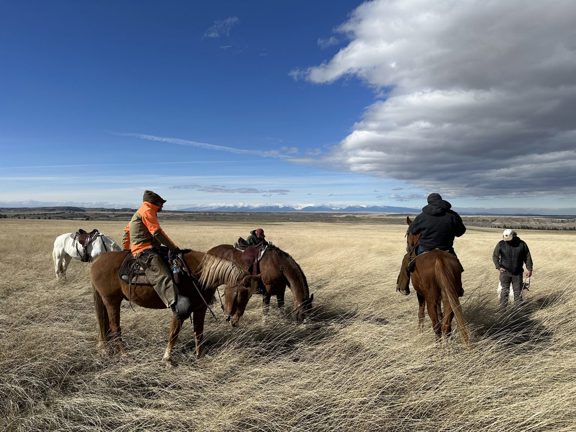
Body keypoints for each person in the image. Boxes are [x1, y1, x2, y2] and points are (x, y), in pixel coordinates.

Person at [122, 190, 191, 318]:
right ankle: (175, 303)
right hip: (144, 250)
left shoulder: (139, 212)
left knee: (173, 260)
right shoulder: (148, 211)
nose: (162, 206)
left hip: (148, 247)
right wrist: (174, 248)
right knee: (160, 273)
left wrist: (126, 249)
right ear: (156, 203)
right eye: (161, 203)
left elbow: (126, 231)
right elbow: (157, 232)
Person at [396, 193, 466, 295]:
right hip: (446, 248)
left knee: (407, 258)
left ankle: (403, 286)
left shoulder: (422, 216)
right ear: (441, 201)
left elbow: (413, 230)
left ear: (429, 202)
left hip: (425, 248)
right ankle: (458, 289)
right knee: (457, 266)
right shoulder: (453, 215)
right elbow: (460, 232)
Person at [492, 229, 533, 309]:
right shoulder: (501, 244)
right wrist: (498, 266)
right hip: (505, 272)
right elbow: (495, 256)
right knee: (504, 292)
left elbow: (527, 257)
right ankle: (502, 311)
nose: (507, 241)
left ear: (514, 236)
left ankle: (518, 313)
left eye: (509, 240)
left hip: (517, 273)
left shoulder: (522, 244)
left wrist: (529, 269)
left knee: (518, 293)